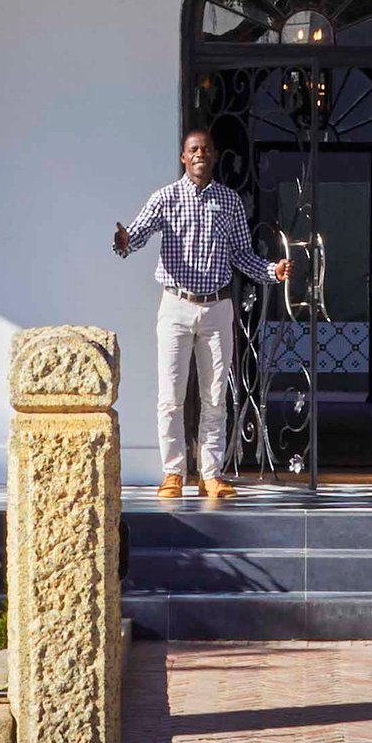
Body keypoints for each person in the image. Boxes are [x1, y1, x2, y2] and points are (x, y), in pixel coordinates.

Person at [113, 126, 290, 503]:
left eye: (206, 149)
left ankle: (211, 474)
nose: (199, 154)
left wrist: (271, 271)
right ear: (183, 157)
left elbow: (242, 255)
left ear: (214, 156)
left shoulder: (229, 201)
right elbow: (138, 234)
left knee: (214, 396)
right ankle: (173, 473)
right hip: (176, 306)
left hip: (217, 309)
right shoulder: (166, 198)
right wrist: (125, 241)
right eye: (193, 149)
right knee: (171, 395)